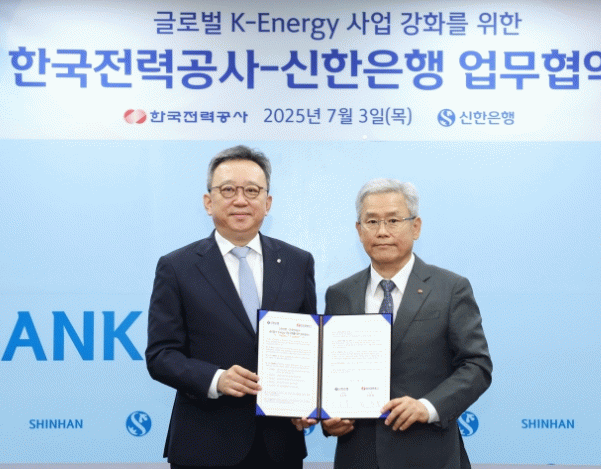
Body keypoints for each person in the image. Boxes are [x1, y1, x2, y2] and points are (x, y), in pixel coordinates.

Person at [146, 145, 317, 469]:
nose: (240, 200)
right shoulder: (177, 267)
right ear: (208, 201)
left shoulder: (298, 262)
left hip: (280, 445)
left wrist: (308, 400)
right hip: (205, 444)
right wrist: (216, 379)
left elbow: (309, 347)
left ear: (267, 202)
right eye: (228, 190)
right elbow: (161, 355)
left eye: (252, 191)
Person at [322, 178, 492, 469]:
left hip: (429, 454)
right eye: (372, 221)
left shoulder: (450, 288)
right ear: (359, 230)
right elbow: (329, 371)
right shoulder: (339, 294)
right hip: (358, 456)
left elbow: (476, 365)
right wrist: (328, 418)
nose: (382, 231)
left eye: (393, 220)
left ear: (416, 226)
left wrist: (428, 406)